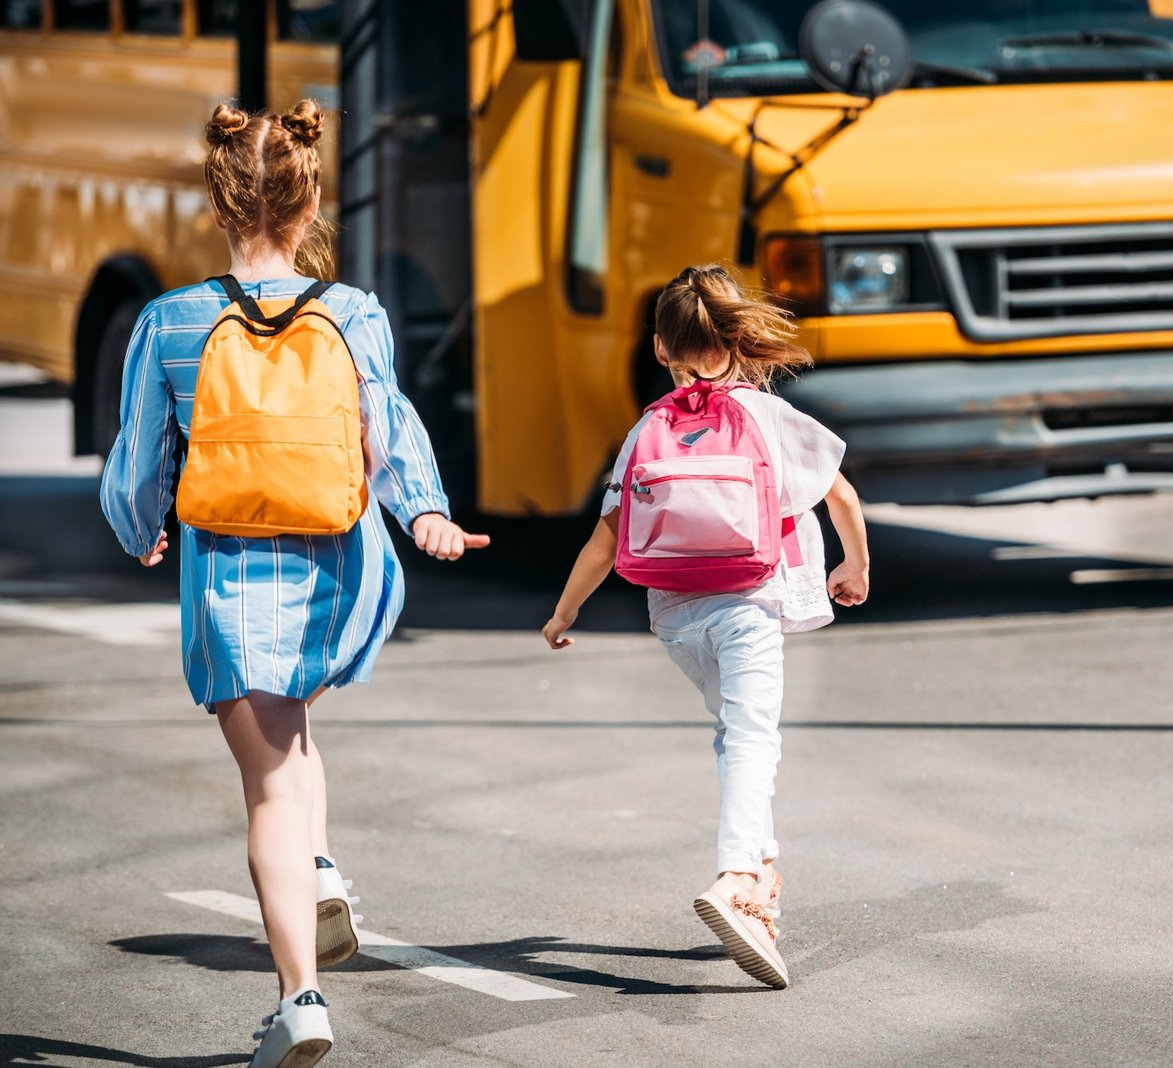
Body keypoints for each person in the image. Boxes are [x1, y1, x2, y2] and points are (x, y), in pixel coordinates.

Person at [99, 100, 488, 1068]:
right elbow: (389, 430)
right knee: (297, 735)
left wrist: (141, 526)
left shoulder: (171, 322)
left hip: (235, 583)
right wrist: (426, 514)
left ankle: (297, 1000)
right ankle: (320, 872)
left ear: (219, 204)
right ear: (310, 207)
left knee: (267, 783)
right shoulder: (352, 313)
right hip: (335, 574)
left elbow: (136, 464)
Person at [541, 264, 870, 989]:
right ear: (736, 339)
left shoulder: (648, 429)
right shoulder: (769, 417)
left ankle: (764, 874)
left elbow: (605, 538)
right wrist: (856, 566)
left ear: (661, 348)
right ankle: (736, 874)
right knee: (754, 736)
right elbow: (841, 494)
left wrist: (566, 611)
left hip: (674, 615)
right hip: (749, 601)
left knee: (735, 733)